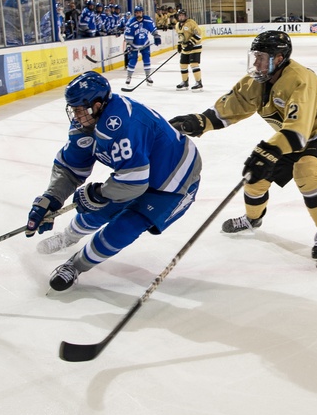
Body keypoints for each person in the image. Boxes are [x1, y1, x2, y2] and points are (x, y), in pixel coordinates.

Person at [167, 31, 317, 267]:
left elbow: (297, 133)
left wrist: (268, 150)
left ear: (280, 58)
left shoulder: (301, 80)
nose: (256, 63)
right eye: (255, 56)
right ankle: (252, 220)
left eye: (261, 57)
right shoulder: (258, 81)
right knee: (254, 176)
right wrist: (200, 121)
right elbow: (231, 108)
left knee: (306, 170)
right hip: (294, 134)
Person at [25, 71, 202, 290]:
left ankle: (76, 265)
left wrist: (97, 194)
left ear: (97, 105)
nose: (75, 116)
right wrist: (51, 198)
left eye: (79, 110)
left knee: (124, 227)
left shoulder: (123, 124)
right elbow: (71, 168)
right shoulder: (89, 124)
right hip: (138, 173)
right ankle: (67, 237)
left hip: (174, 180)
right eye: (73, 110)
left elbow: (134, 182)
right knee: (97, 210)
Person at [123, 4, 161, 85]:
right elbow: (128, 35)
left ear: (142, 12)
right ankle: (129, 77)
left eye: (140, 12)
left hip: (145, 44)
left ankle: (148, 76)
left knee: (146, 59)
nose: (138, 14)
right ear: (135, 13)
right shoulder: (131, 22)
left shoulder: (148, 20)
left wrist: (156, 36)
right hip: (134, 45)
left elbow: (153, 29)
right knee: (132, 61)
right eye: (137, 13)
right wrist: (129, 45)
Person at [174, 9, 204, 90]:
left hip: (195, 47)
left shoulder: (191, 23)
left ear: (185, 16)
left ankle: (198, 82)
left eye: (182, 15)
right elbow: (181, 36)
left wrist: (191, 43)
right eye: (179, 15)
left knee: (194, 64)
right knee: (183, 65)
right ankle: (185, 82)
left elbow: (198, 34)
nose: (181, 17)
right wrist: (180, 45)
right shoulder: (177, 25)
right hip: (185, 48)